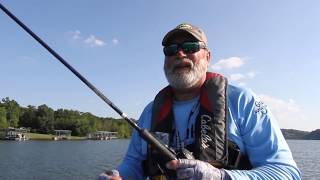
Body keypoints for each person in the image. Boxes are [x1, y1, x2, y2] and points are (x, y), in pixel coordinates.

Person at [99, 23, 301, 180]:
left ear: (208, 57)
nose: (180, 53)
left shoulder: (243, 102)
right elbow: (132, 165)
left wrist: (223, 176)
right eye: (171, 49)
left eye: (190, 47)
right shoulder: (150, 112)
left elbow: (287, 172)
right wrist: (117, 175)